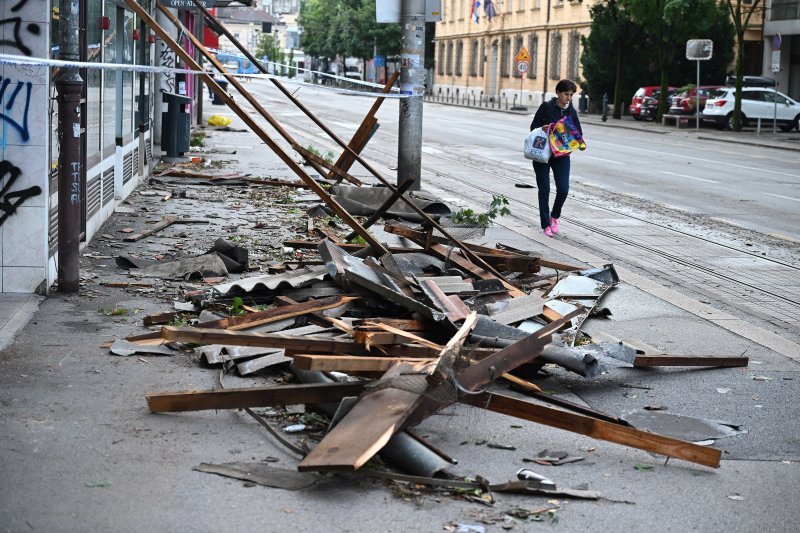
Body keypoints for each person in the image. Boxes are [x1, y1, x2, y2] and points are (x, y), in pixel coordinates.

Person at [530, 79, 582, 237]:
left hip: (561, 155)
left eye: (571, 95)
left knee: (564, 189)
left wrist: (572, 140)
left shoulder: (571, 112)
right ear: (558, 93)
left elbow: (578, 134)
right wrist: (542, 128)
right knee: (544, 189)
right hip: (543, 154)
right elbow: (533, 127)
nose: (568, 98)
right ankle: (546, 224)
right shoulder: (546, 107)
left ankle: (555, 216)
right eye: (566, 94)